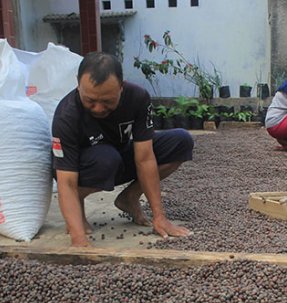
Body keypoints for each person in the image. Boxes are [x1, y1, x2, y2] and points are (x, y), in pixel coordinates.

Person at [52, 52, 193, 247]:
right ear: (78, 85)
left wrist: (159, 216)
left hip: (117, 157)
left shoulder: (138, 98)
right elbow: (66, 182)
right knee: (106, 158)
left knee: (181, 141)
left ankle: (129, 197)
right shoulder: (66, 116)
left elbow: (144, 157)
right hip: (84, 169)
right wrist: (78, 239)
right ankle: (77, 202)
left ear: (121, 87)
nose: (99, 108)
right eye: (90, 101)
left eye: (108, 101)